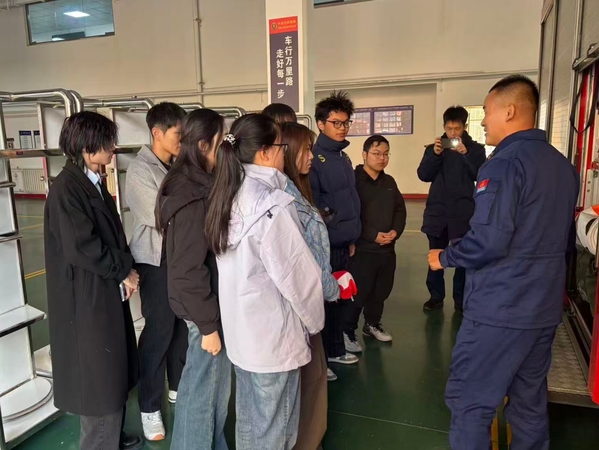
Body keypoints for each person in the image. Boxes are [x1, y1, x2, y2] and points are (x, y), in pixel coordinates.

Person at [428, 75, 579, 450]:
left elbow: (489, 242)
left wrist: (444, 256)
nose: (483, 122)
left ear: (510, 111)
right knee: (528, 404)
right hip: (542, 309)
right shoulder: (562, 165)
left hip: (500, 309)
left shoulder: (504, 165)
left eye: (487, 111)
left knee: (470, 404)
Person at [205, 114, 325, 450]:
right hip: (274, 340)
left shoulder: (227, 194)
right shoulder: (271, 205)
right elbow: (298, 277)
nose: (285, 154)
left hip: (242, 335)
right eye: (282, 147)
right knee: (276, 431)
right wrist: (315, 322)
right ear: (266, 152)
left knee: (250, 422)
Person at [44, 111, 142, 450]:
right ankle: (100, 443)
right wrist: (123, 270)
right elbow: (83, 247)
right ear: (87, 147)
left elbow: (109, 235)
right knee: (99, 377)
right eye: (107, 142)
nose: (113, 148)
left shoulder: (92, 182)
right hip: (86, 298)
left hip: (101, 289)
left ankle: (111, 437)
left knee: (111, 370)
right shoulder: (66, 189)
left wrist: (123, 270)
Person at [156, 109, 231, 450]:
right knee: (202, 393)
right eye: (221, 141)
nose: (225, 147)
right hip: (203, 311)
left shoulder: (196, 182)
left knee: (211, 391)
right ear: (203, 145)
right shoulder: (190, 193)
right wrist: (208, 326)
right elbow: (187, 270)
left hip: (207, 307)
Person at [125, 102, 188, 441]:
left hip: (180, 258)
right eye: (178, 133)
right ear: (157, 133)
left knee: (181, 327)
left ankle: (177, 387)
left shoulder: (177, 164)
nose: (182, 139)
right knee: (159, 331)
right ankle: (150, 407)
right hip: (155, 261)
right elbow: (158, 216)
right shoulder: (140, 170)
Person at [281, 122, 338, 449]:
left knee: (314, 376)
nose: (311, 156)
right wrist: (331, 286)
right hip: (300, 305)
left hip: (310, 301)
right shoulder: (285, 198)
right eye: (306, 150)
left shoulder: (299, 189)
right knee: (307, 379)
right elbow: (303, 259)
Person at [310, 91, 361, 379]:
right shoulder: (315, 159)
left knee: (341, 297)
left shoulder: (342, 157)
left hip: (343, 242)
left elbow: (350, 197)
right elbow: (316, 203)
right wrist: (335, 225)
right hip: (326, 243)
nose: (342, 128)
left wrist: (350, 237)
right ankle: (323, 358)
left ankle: (336, 349)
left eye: (346, 123)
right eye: (336, 123)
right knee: (325, 302)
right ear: (321, 124)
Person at [417, 106, 486, 313]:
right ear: (444, 127)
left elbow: (480, 176)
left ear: (465, 127)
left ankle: (460, 299)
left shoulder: (476, 150)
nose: (453, 133)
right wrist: (435, 155)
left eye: (457, 129)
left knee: (463, 260)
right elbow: (423, 175)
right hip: (438, 213)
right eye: (449, 129)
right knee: (435, 257)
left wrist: (466, 154)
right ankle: (435, 297)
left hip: (463, 214)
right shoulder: (434, 149)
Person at [344, 135, 406, 351]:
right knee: (358, 292)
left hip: (387, 250)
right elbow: (351, 215)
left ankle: (371, 324)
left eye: (386, 154)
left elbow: (399, 210)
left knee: (381, 291)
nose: (382, 158)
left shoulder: (389, 182)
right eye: (377, 153)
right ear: (364, 154)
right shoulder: (353, 182)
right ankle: (348, 330)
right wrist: (372, 235)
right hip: (363, 250)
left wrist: (395, 231)